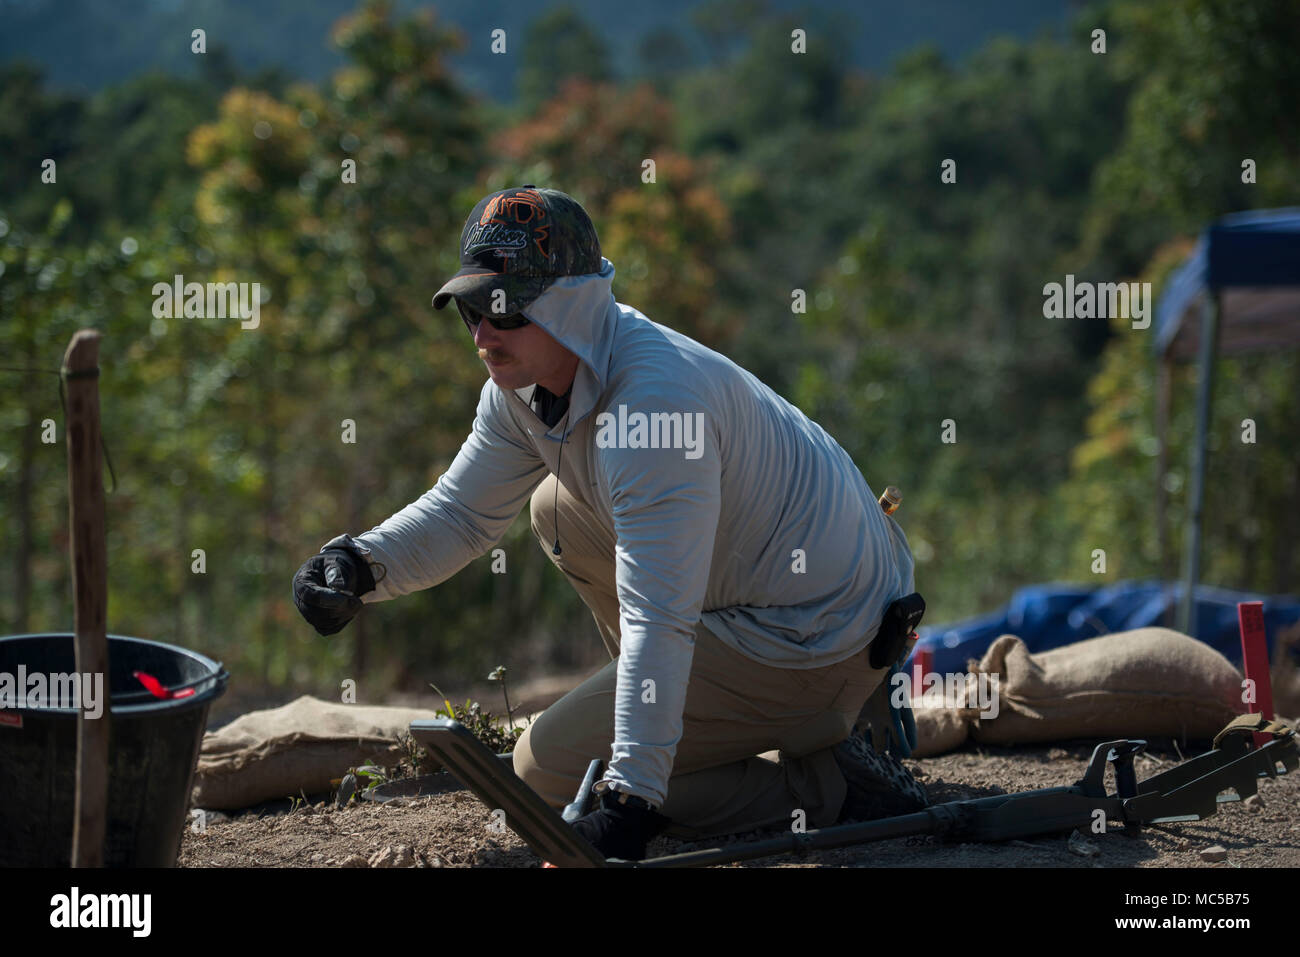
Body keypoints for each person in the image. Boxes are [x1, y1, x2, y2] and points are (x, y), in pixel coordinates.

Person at [293, 185, 927, 861]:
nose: (481, 333)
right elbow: (460, 514)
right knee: (554, 507)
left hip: (821, 635)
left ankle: (825, 782)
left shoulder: (652, 412)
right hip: (797, 595)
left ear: (569, 305)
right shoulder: (521, 390)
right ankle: (688, 728)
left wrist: (629, 798)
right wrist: (357, 564)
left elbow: (660, 616)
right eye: (469, 310)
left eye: (502, 308)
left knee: (545, 771)